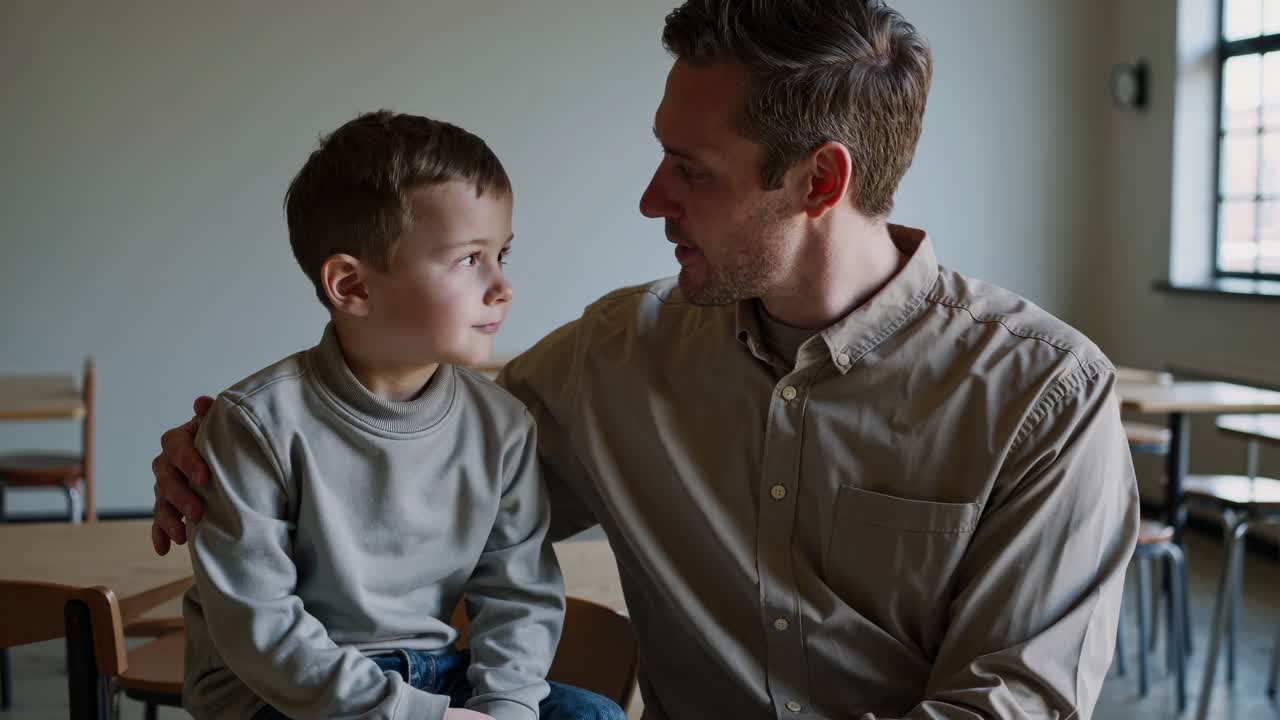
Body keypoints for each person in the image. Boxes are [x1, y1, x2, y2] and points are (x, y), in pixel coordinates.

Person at [153, 2, 1139, 718]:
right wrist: (223, 455)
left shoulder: (1043, 398)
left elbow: (1012, 706)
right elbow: (410, 458)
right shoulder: (613, 355)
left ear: (817, 180)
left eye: (690, 170)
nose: (649, 199)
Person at [176, 110, 625, 720]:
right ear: (353, 287)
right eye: (470, 259)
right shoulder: (255, 425)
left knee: (592, 716)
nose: (503, 286)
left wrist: (505, 711)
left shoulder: (503, 425)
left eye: (503, 254)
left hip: (432, 673)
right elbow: (262, 630)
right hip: (278, 691)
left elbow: (517, 593)